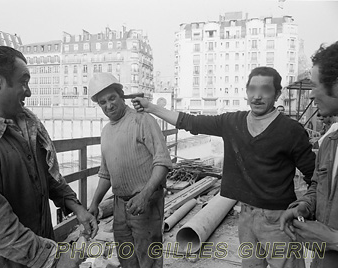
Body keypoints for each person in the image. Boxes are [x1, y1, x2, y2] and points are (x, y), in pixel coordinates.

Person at [133, 66, 315, 268]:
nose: (257, 96)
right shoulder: (232, 122)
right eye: (252, 89)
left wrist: (306, 208)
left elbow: (314, 176)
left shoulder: (291, 131)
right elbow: (190, 122)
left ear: (277, 94)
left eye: (265, 90)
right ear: (246, 92)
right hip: (246, 216)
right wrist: (151, 107)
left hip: (278, 220)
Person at [0, 46, 98, 268]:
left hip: (40, 249)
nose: (29, 91)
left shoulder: (28, 126)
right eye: (24, 81)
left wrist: (76, 207)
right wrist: (55, 259)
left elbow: (49, 176)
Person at [87, 73, 172, 268]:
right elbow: (106, 173)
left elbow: (163, 162)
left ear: (121, 96)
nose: (108, 106)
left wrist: (145, 195)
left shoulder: (142, 120)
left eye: (112, 98)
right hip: (120, 206)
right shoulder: (106, 132)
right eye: (102, 102)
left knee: (148, 260)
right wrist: (94, 203)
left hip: (146, 202)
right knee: (127, 259)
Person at [280, 41, 338, 268]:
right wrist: (304, 206)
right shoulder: (329, 142)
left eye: (315, 85)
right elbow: (317, 186)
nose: (312, 94)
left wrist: (333, 240)